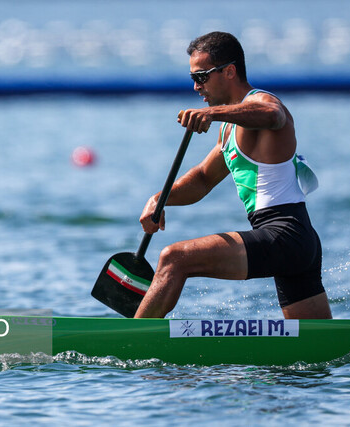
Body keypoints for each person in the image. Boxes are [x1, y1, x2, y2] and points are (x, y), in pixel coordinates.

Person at [134, 31, 331, 319]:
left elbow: (273, 114)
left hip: (283, 234)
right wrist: (159, 200)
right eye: (192, 78)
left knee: (174, 259)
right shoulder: (229, 129)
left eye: (201, 77)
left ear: (229, 71)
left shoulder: (262, 102)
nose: (195, 87)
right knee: (319, 347)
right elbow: (202, 178)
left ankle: (132, 343)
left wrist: (214, 115)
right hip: (296, 242)